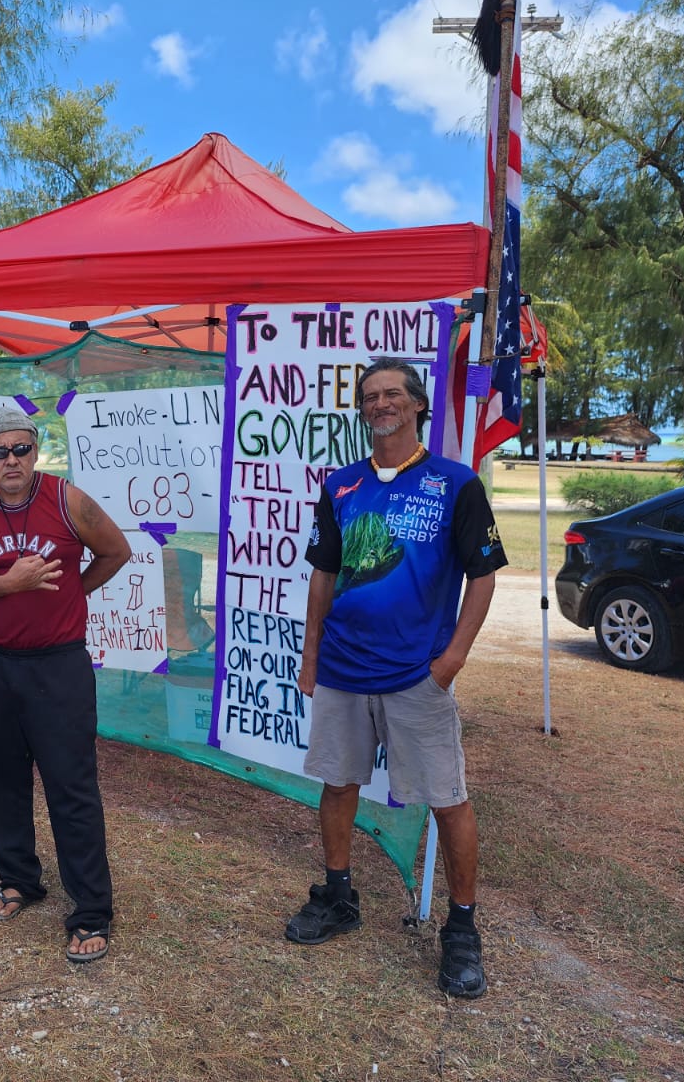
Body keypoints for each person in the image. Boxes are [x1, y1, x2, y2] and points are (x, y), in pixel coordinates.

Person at [285, 357, 507, 999]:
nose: (381, 404)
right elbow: (323, 573)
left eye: (392, 395)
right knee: (337, 783)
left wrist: (453, 660)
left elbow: (484, 574)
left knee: (447, 799)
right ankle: (337, 895)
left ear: (416, 405)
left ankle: (461, 931)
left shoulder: (454, 482)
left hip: (417, 676)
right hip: (343, 671)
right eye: (370, 397)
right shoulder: (342, 484)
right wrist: (311, 651)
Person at [0, 407, 131, 964]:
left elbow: (116, 550)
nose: (12, 461)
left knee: (71, 788)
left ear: (36, 452)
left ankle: (91, 910)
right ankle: (19, 880)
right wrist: (14, 582)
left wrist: (72, 592)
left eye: (21, 449)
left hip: (58, 666)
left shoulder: (67, 500)